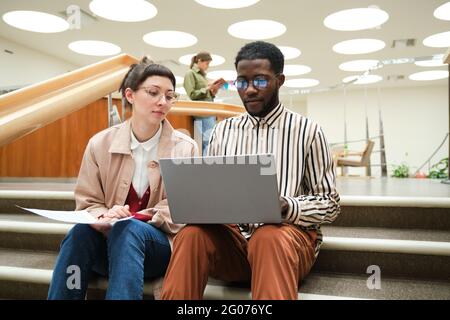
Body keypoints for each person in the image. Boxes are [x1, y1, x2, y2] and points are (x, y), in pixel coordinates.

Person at [161, 41, 340, 300]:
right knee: (191, 235)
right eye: (242, 83)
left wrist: (287, 206)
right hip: (235, 245)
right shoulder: (223, 130)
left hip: (285, 243)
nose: (250, 90)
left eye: (261, 81)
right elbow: (213, 190)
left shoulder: (308, 131)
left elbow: (330, 204)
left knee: (268, 236)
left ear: (279, 80)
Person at [47, 57, 198, 300]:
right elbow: (87, 203)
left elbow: (183, 210)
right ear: (130, 95)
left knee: (128, 230)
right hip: (106, 246)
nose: (163, 102)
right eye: (153, 92)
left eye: (169, 96)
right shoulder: (99, 143)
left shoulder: (185, 148)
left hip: (156, 250)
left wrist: (135, 217)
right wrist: (103, 217)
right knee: (78, 234)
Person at [183, 51, 225, 155]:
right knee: (207, 142)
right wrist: (207, 89)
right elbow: (192, 94)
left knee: (207, 142)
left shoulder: (203, 77)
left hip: (208, 112)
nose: (207, 66)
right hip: (201, 114)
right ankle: (206, 167)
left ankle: (206, 166)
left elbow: (205, 95)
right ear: (199, 61)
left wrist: (212, 91)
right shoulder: (190, 74)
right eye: (207, 63)